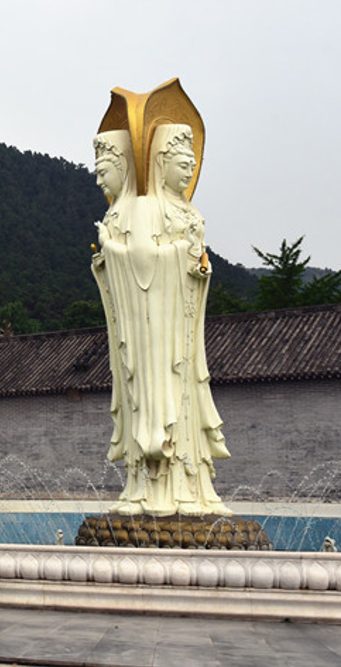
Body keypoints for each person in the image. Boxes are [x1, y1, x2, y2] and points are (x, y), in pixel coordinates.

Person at [92, 115, 231, 517]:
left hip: (177, 326)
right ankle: (149, 488)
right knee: (152, 392)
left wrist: (198, 266)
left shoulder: (180, 210)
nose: (188, 171)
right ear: (159, 163)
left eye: (191, 164)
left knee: (184, 392)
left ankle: (192, 488)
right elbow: (141, 266)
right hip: (147, 331)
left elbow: (173, 263)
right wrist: (109, 253)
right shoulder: (138, 208)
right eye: (182, 163)